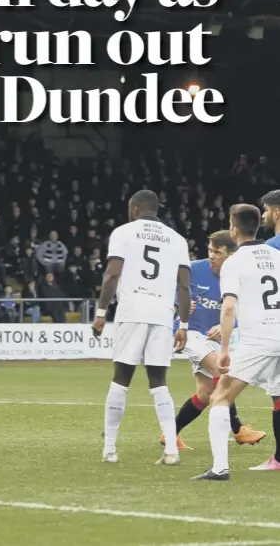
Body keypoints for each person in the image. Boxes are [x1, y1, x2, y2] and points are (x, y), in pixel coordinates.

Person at [92, 190, 191, 466]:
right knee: (159, 382)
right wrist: (182, 324)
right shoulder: (178, 239)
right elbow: (184, 285)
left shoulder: (124, 232)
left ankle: (109, 449)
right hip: (162, 314)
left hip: (132, 309)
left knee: (121, 377)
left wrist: (101, 313)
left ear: (135, 208)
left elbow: (112, 273)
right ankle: (171, 450)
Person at [194, 204, 280, 480]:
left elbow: (228, 307)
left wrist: (223, 350)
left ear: (233, 228)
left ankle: (220, 468)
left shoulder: (235, 261)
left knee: (219, 397)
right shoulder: (277, 256)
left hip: (259, 341)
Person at [164, 231, 265, 449]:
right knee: (222, 370)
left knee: (206, 394)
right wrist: (179, 303)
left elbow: (243, 309)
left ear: (231, 254)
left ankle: (169, 434)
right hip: (188, 334)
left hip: (211, 339)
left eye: (217, 252)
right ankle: (239, 429)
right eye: (210, 250)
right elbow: (172, 288)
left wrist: (226, 325)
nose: (211, 255)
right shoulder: (194, 268)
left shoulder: (239, 274)